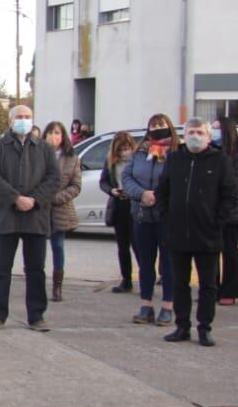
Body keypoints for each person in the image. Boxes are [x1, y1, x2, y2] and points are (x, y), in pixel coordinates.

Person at [159, 118, 238, 347]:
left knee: (208, 285)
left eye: (200, 132)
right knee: (179, 283)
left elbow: (230, 195)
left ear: (207, 135)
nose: (195, 135)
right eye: (191, 131)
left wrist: (218, 222)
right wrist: (167, 217)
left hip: (208, 234)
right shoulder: (174, 159)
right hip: (178, 234)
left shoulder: (220, 160)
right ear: (185, 134)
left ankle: (205, 328)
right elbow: (163, 191)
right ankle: (182, 326)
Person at [0, 105, 61, 331]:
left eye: (28, 117)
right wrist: (15, 198)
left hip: (35, 218)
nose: (24, 121)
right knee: (1, 270)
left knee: (36, 270)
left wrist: (34, 200)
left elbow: (54, 179)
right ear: (10, 121)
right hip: (5, 218)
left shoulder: (44, 149)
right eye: (19, 117)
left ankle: (36, 316)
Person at [122, 114, 179, 326]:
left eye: (161, 125)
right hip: (142, 215)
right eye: (153, 125)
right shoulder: (140, 152)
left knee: (168, 263)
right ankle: (146, 305)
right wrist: (141, 193)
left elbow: (179, 181)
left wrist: (160, 196)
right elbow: (127, 177)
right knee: (145, 264)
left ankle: (167, 306)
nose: (157, 128)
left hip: (167, 216)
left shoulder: (177, 152)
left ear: (169, 127)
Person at [43, 121, 82, 302]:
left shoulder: (71, 157)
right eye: (50, 133)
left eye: (57, 133)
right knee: (37, 248)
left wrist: (57, 198)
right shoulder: (38, 154)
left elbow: (75, 186)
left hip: (60, 209)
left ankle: (57, 287)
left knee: (58, 246)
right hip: (40, 208)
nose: (53, 137)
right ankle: (37, 282)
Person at [99, 131, 138, 294]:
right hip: (119, 205)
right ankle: (126, 280)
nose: (124, 153)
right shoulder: (111, 163)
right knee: (123, 246)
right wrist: (112, 190)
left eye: (127, 148)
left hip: (135, 205)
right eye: (121, 149)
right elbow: (104, 182)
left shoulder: (137, 162)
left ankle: (146, 278)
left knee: (139, 246)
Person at [216, 117, 238, 306]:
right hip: (210, 212)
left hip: (231, 213)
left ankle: (229, 290)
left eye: (217, 129)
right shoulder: (211, 153)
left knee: (230, 252)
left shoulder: (233, 156)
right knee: (209, 252)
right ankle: (212, 288)